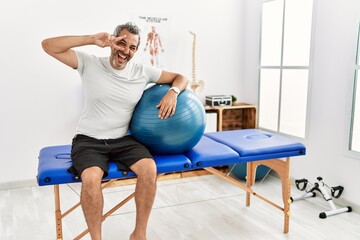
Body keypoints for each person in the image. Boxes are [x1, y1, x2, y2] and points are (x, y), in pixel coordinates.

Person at [41, 22, 189, 240]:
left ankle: (139, 234)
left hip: (123, 139)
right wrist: (91, 38)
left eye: (132, 47)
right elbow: (48, 46)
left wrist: (173, 92)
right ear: (112, 41)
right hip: (89, 140)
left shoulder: (142, 71)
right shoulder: (89, 63)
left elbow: (181, 77)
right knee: (91, 178)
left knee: (149, 169)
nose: (125, 51)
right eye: (122, 43)